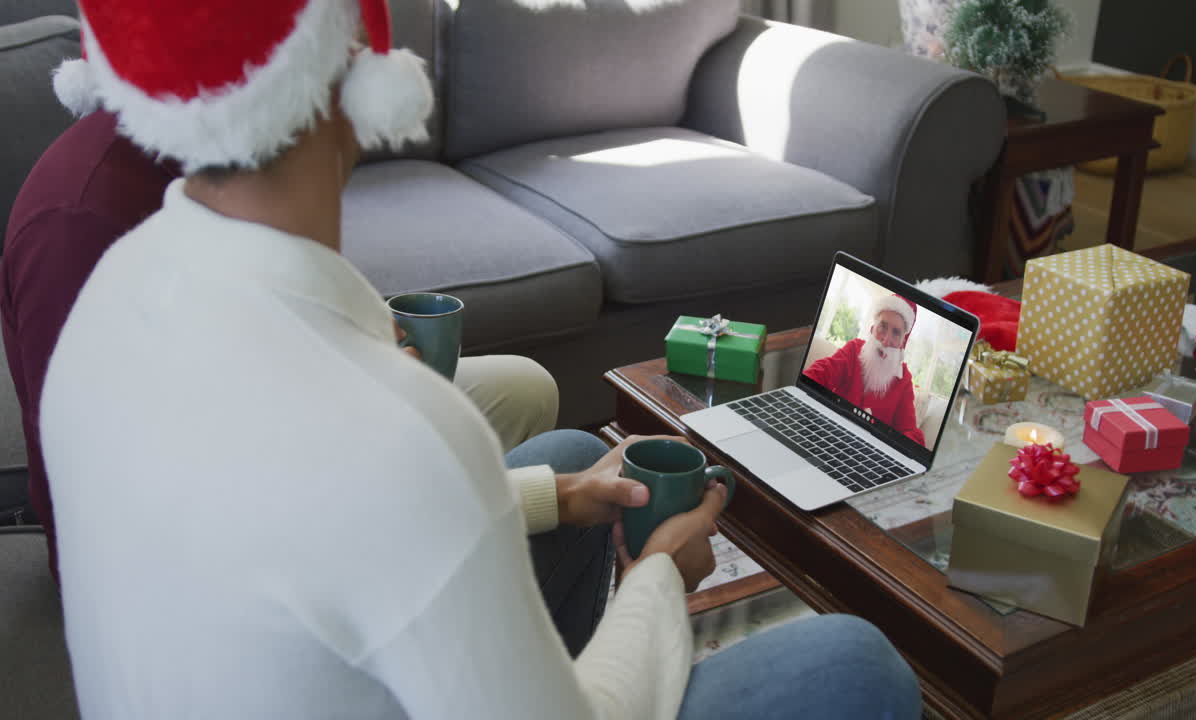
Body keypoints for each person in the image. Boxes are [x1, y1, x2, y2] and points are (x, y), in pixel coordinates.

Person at [39, 1, 922, 718]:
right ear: (352, 62)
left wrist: (553, 496)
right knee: (855, 662)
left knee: (575, 464)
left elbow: (285, 518)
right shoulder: (398, 438)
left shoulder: (109, 297)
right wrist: (657, 581)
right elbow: (366, 498)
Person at [1, 109, 557, 584]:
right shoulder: (81, 222)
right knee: (568, 469)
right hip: (169, 558)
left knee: (524, 389)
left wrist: (343, 339)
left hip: (262, 440)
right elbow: (129, 493)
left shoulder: (218, 151)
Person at [804, 293, 926, 445]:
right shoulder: (854, 349)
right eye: (883, 326)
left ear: (902, 342)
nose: (886, 340)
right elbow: (818, 374)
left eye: (896, 333)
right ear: (872, 328)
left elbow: (910, 433)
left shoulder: (904, 380)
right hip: (831, 436)